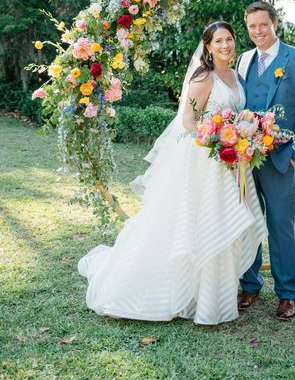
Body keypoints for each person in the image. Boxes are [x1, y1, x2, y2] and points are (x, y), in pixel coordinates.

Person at [78, 21, 267, 325]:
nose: (225, 46)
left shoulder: (235, 75)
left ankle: (214, 295)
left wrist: (245, 129)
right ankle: (175, 289)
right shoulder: (204, 77)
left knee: (222, 225)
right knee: (196, 224)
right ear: (207, 46)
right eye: (218, 41)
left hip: (232, 165)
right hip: (208, 160)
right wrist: (217, 140)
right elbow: (189, 120)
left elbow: (237, 112)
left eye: (229, 40)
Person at [237, 1, 295, 320]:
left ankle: (287, 293)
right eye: (252, 27)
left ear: (275, 24)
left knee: (280, 226)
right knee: (247, 223)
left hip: (281, 159)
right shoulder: (243, 61)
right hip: (245, 158)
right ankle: (250, 283)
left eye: (263, 25)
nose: (258, 31)